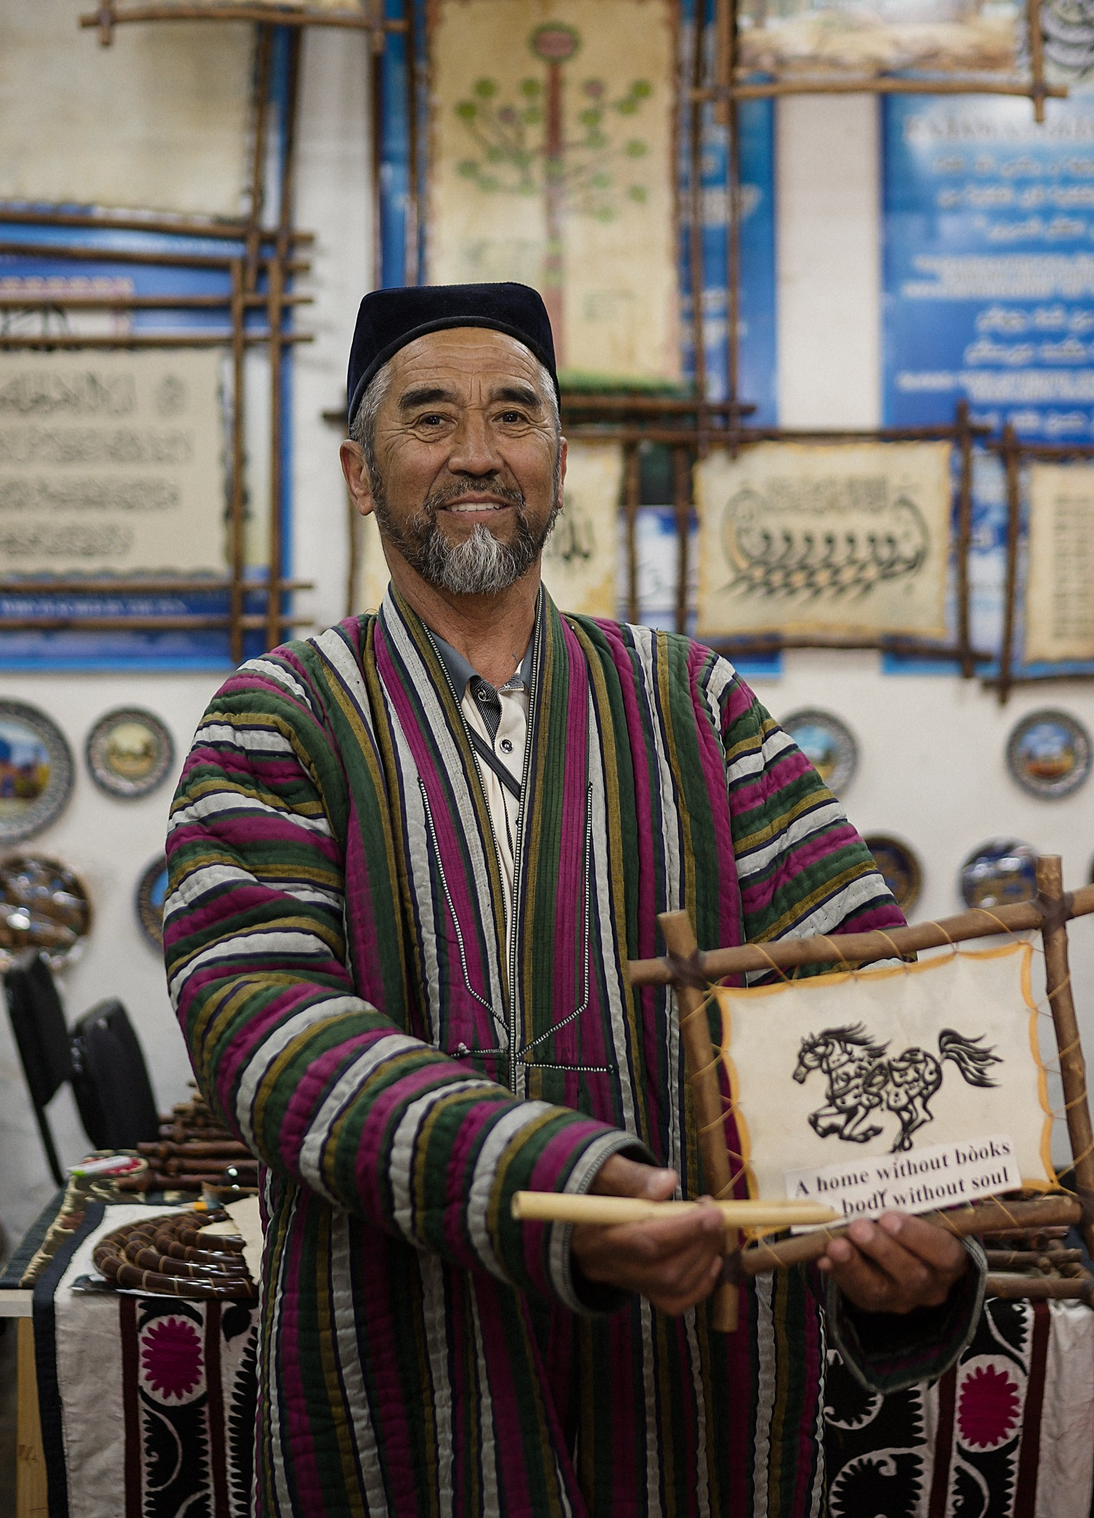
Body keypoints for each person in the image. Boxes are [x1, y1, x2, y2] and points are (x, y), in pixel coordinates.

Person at [163, 282, 986, 1515]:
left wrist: (906, 1222)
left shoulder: (693, 703)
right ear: (358, 470)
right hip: (403, 1363)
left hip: (687, 1375)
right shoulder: (278, 717)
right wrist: (557, 1183)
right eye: (428, 417)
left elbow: (858, 980)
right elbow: (260, 1025)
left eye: (514, 416)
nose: (476, 453)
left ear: (560, 461)